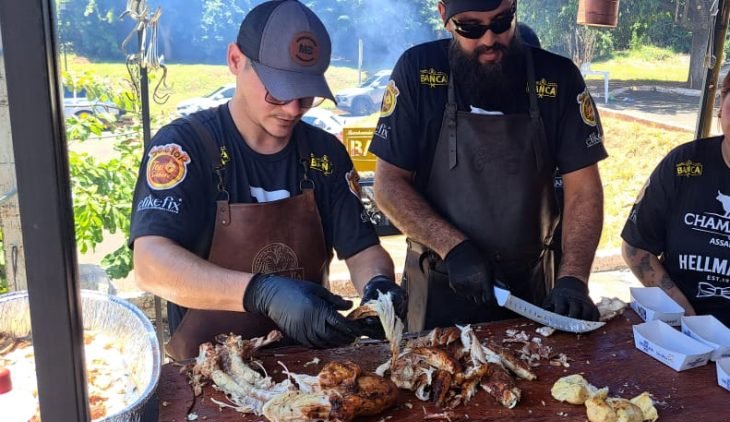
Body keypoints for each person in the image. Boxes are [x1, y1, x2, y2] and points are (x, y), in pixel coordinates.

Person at [129, 0, 406, 361]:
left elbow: (362, 250)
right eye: (278, 91)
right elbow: (150, 264)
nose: (293, 108)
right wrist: (261, 292)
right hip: (208, 371)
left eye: (306, 94)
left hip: (308, 364)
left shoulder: (324, 154)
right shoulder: (185, 146)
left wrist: (378, 287)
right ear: (235, 60)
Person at [370, 0, 606, 332]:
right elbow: (389, 185)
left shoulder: (559, 78)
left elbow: (584, 189)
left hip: (533, 287)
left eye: (501, 22)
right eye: (471, 27)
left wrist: (574, 278)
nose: (489, 39)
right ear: (444, 17)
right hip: (440, 283)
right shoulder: (419, 72)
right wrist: (453, 248)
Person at [621, 72, 730, 326]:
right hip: (680, 326)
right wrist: (689, 321)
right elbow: (636, 247)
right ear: (722, 108)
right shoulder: (684, 165)